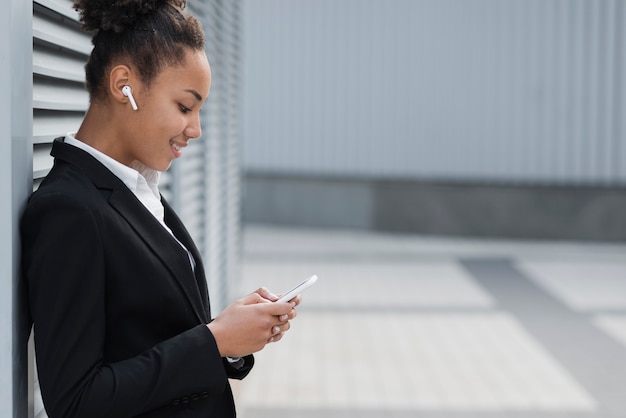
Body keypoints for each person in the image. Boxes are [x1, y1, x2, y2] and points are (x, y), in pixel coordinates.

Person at [20, 1, 300, 417]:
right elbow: (76, 402)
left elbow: (153, 338)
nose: (196, 129)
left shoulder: (139, 190)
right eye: (185, 107)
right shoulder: (69, 211)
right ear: (123, 85)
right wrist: (215, 340)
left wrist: (230, 337)